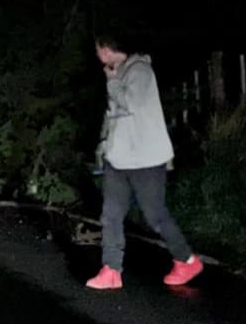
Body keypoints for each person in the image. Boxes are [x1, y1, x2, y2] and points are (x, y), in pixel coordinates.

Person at [87, 34, 203, 289]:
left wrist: (113, 83)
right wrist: (104, 147)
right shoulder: (118, 74)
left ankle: (186, 260)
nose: (98, 56)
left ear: (106, 49)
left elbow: (131, 104)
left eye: (98, 50)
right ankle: (111, 269)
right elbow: (114, 117)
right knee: (111, 215)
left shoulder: (140, 71)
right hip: (118, 159)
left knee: (155, 216)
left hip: (145, 160)